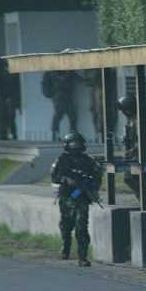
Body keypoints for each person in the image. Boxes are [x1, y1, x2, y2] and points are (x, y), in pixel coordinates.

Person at [50, 132, 102, 267]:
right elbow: (55, 176)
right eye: (73, 143)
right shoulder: (62, 160)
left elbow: (96, 177)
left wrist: (92, 186)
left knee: (81, 226)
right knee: (66, 225)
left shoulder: (88, 161)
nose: (76, 146)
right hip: (67, 196)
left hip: (82, 198)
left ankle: (82, 256)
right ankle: (65, 246)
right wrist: (66, 179)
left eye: (78, 143)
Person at [42, 70, 81, 140]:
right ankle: (56, 137)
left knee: (71, 117)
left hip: (67, 96)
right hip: (58, 96)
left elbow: (78, 79)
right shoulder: (50, 72)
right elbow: (46, 87)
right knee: (59, 116)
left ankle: (70, 137)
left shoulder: (67, 71)